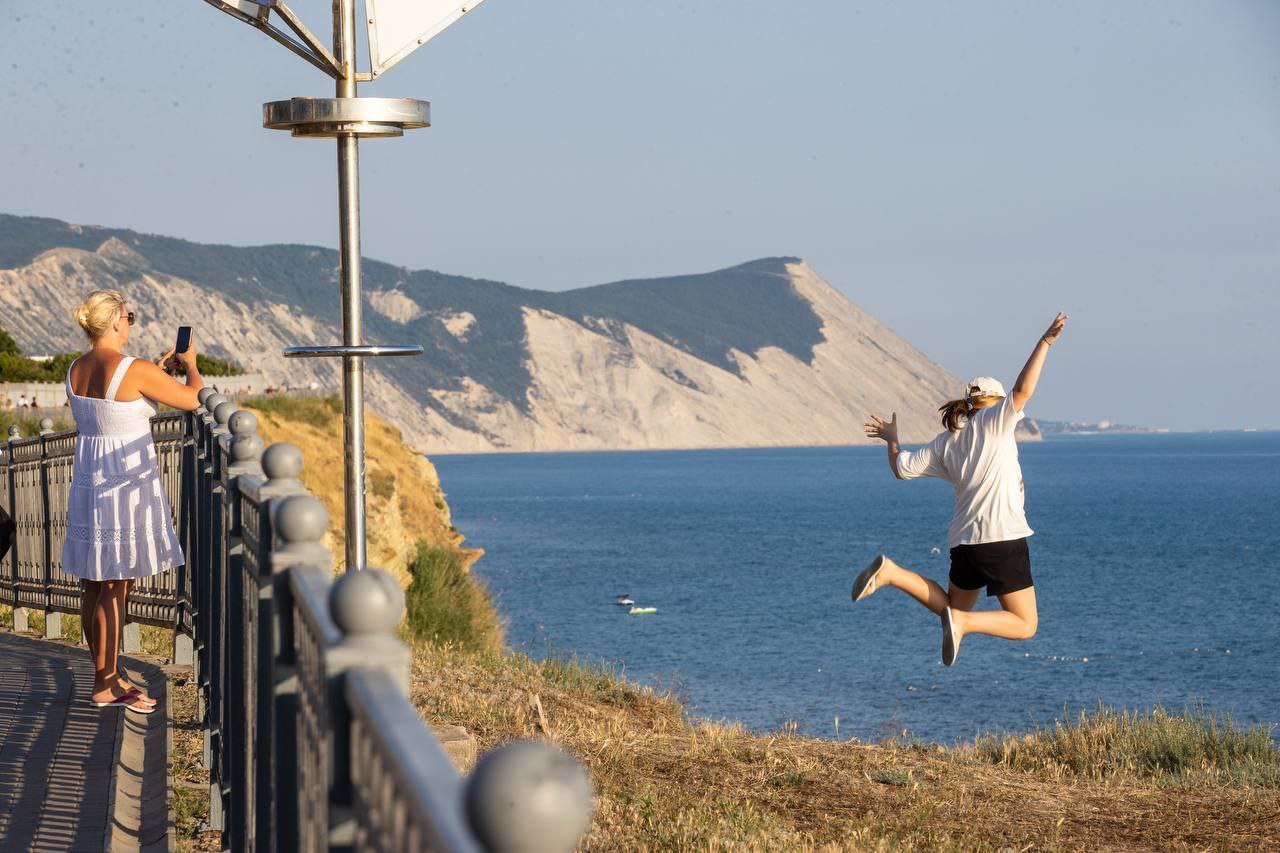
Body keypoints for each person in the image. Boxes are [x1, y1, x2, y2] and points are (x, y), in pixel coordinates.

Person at [854, 312, 1068, 666]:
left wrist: (893, 441)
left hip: (964, 544)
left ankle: (892, 573)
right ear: (994, 402)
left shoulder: (946, 441)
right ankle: (965, 622)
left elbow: (901, 469)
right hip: (1001, 537)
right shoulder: (994, 421)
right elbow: (1023, 390)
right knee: (1026, 624)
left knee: (950, 608)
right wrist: (1044, 343)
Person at [63, 290, 205, 712]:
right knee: (115, 586)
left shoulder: (74, 369)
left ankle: (106, 674)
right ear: (114, 322)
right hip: (125, 487)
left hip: (91, 483)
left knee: (95, 584)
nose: (131, 322)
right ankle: (105, 685)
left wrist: (154, 375)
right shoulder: (134, 369)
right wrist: (192, 366)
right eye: (130, 315)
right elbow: (195, 399)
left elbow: (116, 409)